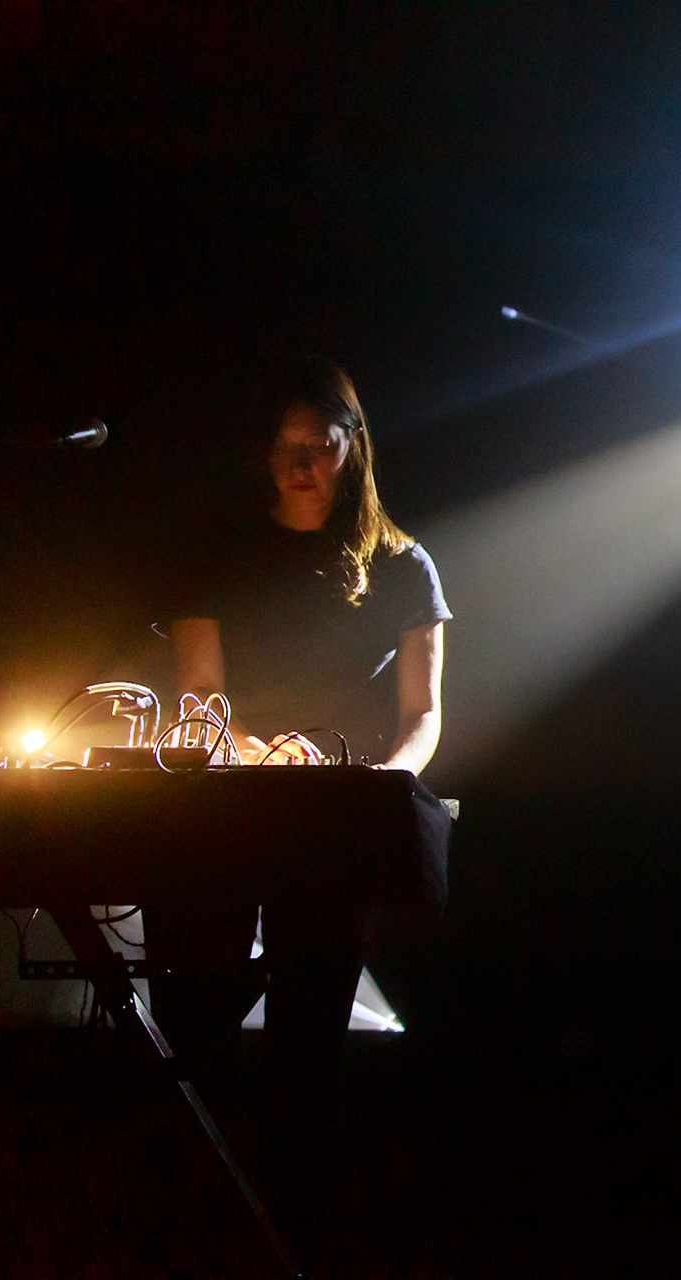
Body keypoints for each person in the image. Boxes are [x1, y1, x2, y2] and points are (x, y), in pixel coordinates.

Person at [145, 357, 451, 1174]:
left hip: (342, 812)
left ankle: (292, 1184)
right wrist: (257, 752)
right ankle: (200, 1171)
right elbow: (200, 694)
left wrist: (383, 783)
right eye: (285, 446)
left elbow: (423, 715)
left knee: (311, 1018)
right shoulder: (216, 548)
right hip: (229, 802)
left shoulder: (402, 563)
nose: (301, 464)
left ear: (354, 445)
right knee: (198, 999)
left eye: (318, 443)